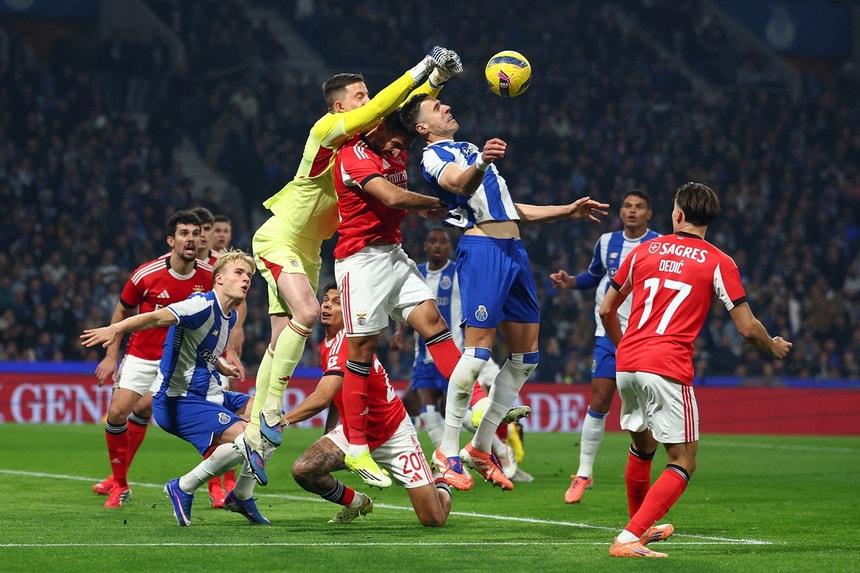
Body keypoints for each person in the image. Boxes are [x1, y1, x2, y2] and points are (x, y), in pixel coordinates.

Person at [241, 47, 464, 484]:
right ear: (341, 106)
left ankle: (254, 439)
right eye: (360, 96)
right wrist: (422, 66)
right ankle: (270, 411)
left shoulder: (362, 140)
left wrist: (437, 81)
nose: (369, 102)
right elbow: (387, 105)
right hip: (279, 236)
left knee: (280, 337)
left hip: (310, 249)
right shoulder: (327, 130)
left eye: (367, 95)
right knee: (307, 314)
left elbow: (404, 116)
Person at [400, 93, 608, 491]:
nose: (446, 106)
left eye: (446, 102)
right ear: (423, 127)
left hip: (513, 250)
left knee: (527, 356)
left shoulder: (468, 149)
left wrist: (567, 210)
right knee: (477, 353)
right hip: (483, 251)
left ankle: (479, 448)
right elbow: (458, 183)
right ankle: (446, 451)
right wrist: (482, 161)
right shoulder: (433, 157)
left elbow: (511, 209)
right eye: (436, 107)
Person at [599, 182, 792, 558]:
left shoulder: (643, 251)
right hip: (667, 365)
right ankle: (629, 537)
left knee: (642, 447)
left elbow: (606, 309)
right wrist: (773, 346)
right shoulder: (719, 261)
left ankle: (639, 523)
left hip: (628, 362)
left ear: (678, 215)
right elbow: (747, 327)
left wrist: (625, 348)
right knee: (683, 460)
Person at [81, 250, 270, 527]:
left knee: (271, 419)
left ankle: (241, 494)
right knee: (245, 437)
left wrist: (220, 366)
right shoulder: (199, 305)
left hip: (211, 392)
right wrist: (116, 329)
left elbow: (200, 348)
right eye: (239, 273)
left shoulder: (227, 317)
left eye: (249, 276)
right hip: (179, 399)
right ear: (218, 280)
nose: (246, 280)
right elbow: (154, 318)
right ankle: (183, 487)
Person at [282, 284, 452, 526]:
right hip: (355, 431)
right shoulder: (327, 344)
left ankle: (441, 477)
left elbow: (322, 397)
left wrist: (282, 421)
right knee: (304, 470)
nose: (327, 305)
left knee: (434, 519)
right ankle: (356, 502)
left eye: (337, 301)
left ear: (349, 312)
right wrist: (330, 432)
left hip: (392, 433)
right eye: (325, 300)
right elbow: (334, 397)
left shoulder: (347, 342)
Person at [90, 210, 213, 508]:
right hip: (141, 354)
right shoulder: (146, 274)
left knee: (149, 409)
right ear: (171, 240)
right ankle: (119, 482)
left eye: (196, 233)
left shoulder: (209, 276)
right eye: (184, 233)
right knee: (118, 414)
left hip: (180, 360)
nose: (192, 239)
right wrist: (111, 355)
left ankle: (118, 481)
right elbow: (121, 313)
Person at [394, 227, 532, 482]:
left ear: (449, 247)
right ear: (425, 246)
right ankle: (451, 463)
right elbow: (407, 304)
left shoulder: (459, 271)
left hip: (454, 353)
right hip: (423, 356)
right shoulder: (418, 273)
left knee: (452, 410)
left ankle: (499, 452)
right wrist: (400, 332)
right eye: (432, 241)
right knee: (428, 411)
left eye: (442, 242)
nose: (437, 246)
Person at [549, 189, 660, 503]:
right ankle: (583, 473)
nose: (632, 211)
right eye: (627, 206)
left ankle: (648, 478)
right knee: (599, 398)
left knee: (646, 411)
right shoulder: (607, 242)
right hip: (607, 334)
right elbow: (594, 277)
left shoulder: (659, 244)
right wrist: (570, 281)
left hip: (646, 336)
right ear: (621, 212)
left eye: (639, 206)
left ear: (649, 214)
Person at [192, 207, 245, 507]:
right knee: (213, 419)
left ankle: (227, 483)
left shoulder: (228, 269)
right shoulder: (199, 269)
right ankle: (215, 484)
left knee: (229, 418)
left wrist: (233, 347)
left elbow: (238, 309)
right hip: (195, 358)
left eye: (214, 229)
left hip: (219, 350)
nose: (211, 234)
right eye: (209, 229)